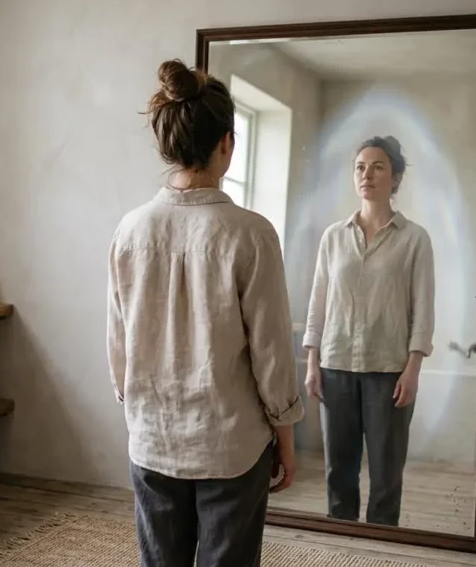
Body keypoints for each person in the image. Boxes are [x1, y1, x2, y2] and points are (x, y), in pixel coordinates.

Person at [106, 59, 304, 567]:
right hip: (231, 446)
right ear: (226, 145)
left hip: (153, 439)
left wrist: (142, 411)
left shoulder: (129, 230)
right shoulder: (251, 233)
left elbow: (119, 347)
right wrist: (286, 436)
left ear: (167, 144)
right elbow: (273, 352)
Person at [302, 136, 435, 526]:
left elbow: (423, 309)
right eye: (360, 167)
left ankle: (380, 550)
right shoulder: (333, 237)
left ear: (395, 178)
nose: (367, 174)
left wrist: (413, 369)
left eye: (378, 167)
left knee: (386, 475)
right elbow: (318, 303)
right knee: (337, 472)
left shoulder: (414, 239)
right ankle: (342, 548)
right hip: (336, 366)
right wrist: (313, 362)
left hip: (389, 371)